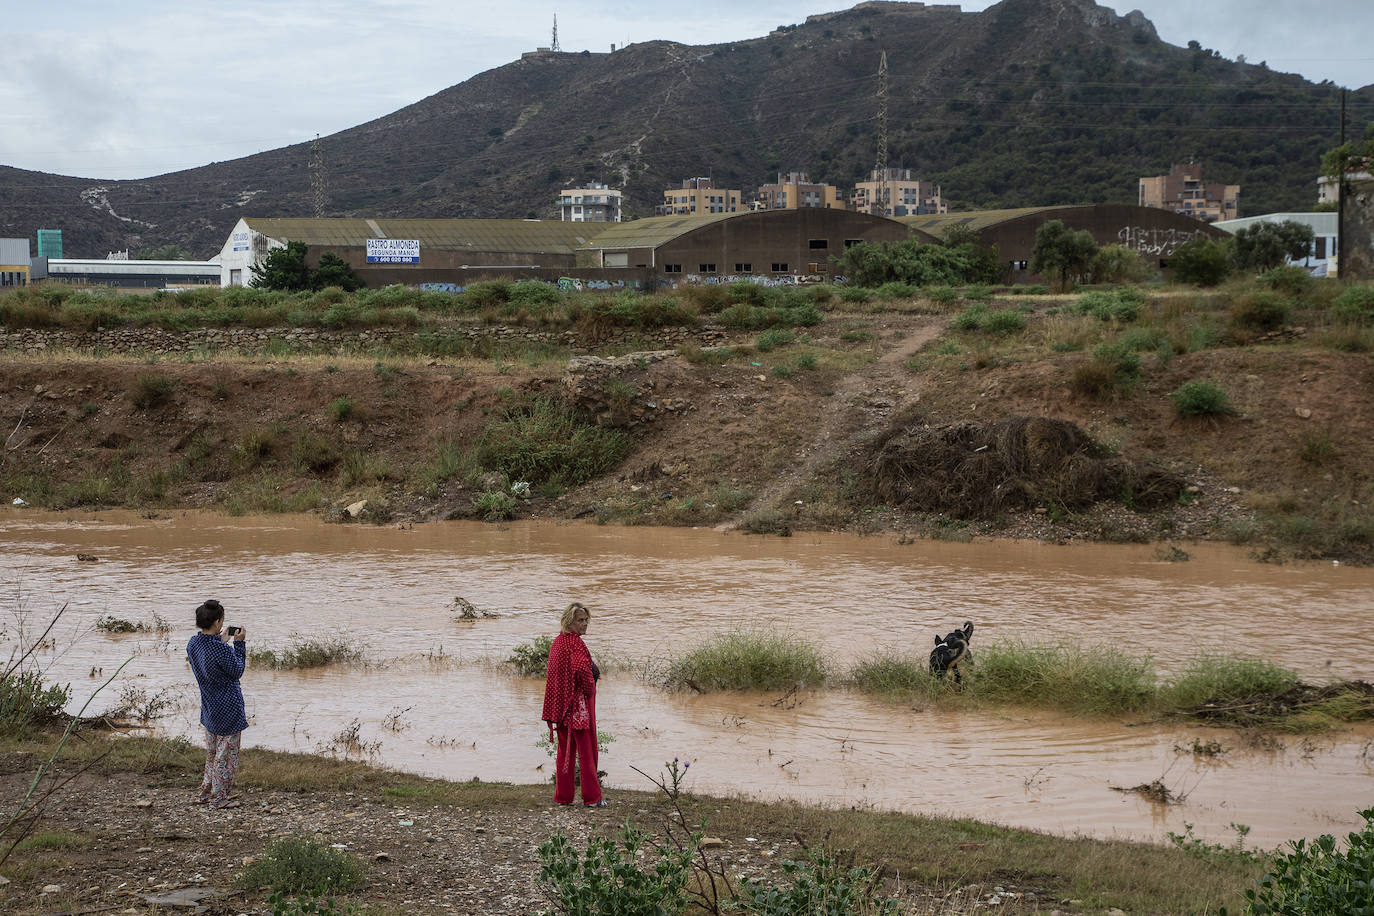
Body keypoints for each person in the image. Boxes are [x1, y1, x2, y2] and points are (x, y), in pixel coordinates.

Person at [185, 599, 247, 809]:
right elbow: (237, 670)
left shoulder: (193, 644)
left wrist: (224, 638)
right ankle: (219, 798)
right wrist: (238, 644)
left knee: (212, 754)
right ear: (218, 622)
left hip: (209, 706)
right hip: (228, 707)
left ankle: (207, 792)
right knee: (226, 757)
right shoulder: (222, 650)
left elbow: (210, 652)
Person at [541, 601, 604, 807]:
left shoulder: (558, 642)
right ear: (570, 621)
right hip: (578, 708)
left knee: (564, 753)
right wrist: (590, 691)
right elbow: (581, 669)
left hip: (560, 708)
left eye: (586, 620)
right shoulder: (575, 643)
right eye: (580, 620)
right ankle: (592, 798)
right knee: (587, 753)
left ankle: (563, 797)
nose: (585, 624)